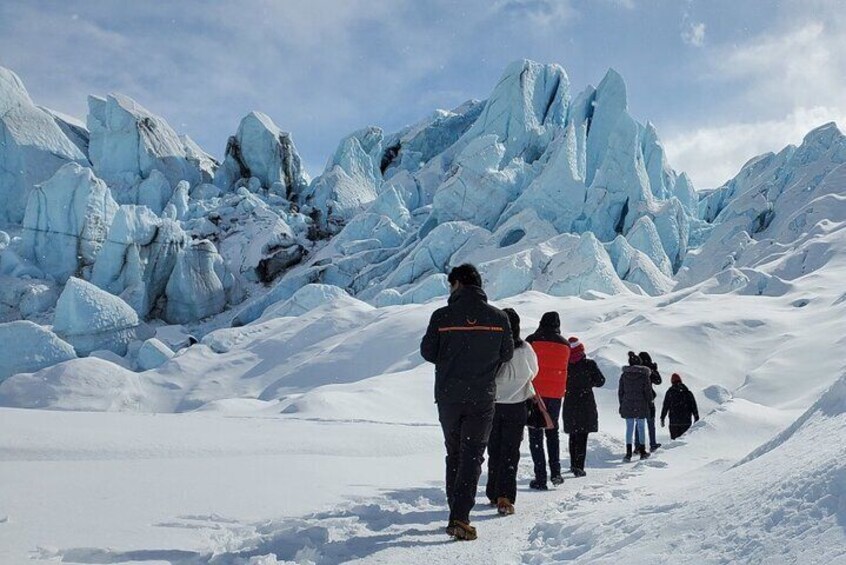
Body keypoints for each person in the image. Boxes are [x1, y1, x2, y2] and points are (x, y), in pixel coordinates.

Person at [420, 263, 513, 541]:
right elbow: (507, 353)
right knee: (472, 455)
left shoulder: (441, 316)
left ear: (458, 283)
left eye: (451, 285)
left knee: (455, 453)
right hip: (482, 396)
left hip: (449, 397)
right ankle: (459, 515)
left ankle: (456, 512)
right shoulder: (498, 318)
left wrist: (453, 359)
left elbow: (428, 352)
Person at [485, 308, 538, 516]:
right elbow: (534, 372)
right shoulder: (525, 348)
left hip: (493, 405)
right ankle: (505, 496)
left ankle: (492, 491)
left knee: (494, 449)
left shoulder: (492, 346)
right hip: (517, 406)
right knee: (510, 452)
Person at [526, 312, 570, 489]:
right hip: (556, 393)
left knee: (535, 434)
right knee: (552, 432)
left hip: (535, 393)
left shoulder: (533, 340)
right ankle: (556, 472)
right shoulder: (565, 345)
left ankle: (540, 477)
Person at [561, 337, 605, 477]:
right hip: (585, 401)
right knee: (582, 434)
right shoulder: (589, 364)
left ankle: (573, 464)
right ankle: (579, 466)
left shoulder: (564, 365)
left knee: (573, 434)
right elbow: (601, 381)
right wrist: (588, 383)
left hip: (570, 402)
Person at [618, 352, 652, 461]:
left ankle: (628, 453)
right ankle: (642, 451)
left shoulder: (624, 375)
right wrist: (649, 403)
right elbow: (648, 391)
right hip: (641, 404)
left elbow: (621, 392)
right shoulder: (644, 375)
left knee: (629, 428)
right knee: (641, 427)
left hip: (627, 404)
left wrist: (622, 404)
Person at [633, 351, 662, 452]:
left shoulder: (636, 369)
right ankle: (652, 444)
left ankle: (637, 446)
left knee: (639, 424)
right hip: (649, 400)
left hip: (638, 400)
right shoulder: (648, 370)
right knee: (650, 423)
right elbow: (658, 381)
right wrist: (654, 369)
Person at [661, 373, 700, 439]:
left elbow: (665, 406)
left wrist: (662, 418)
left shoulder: (670, 393)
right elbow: (693, 406)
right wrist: (696, 417)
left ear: (672, 382)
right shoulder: (687, 392)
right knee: (685, 442)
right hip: (686, 422)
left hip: (674, 423)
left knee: (674, 443)